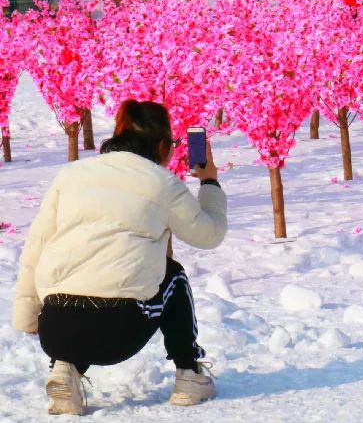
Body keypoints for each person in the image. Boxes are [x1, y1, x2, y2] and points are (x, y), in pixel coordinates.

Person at [12, 100, 228, 415]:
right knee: (173, 275)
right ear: (162, 145)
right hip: (120, 332)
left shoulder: (70, 175)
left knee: (80, 276)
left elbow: (37, 246)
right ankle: (189, 375)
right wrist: (209, 180)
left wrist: (28, 316)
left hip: (55, 329)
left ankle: (64, 371)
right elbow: (209, 235)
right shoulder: (162, 182)